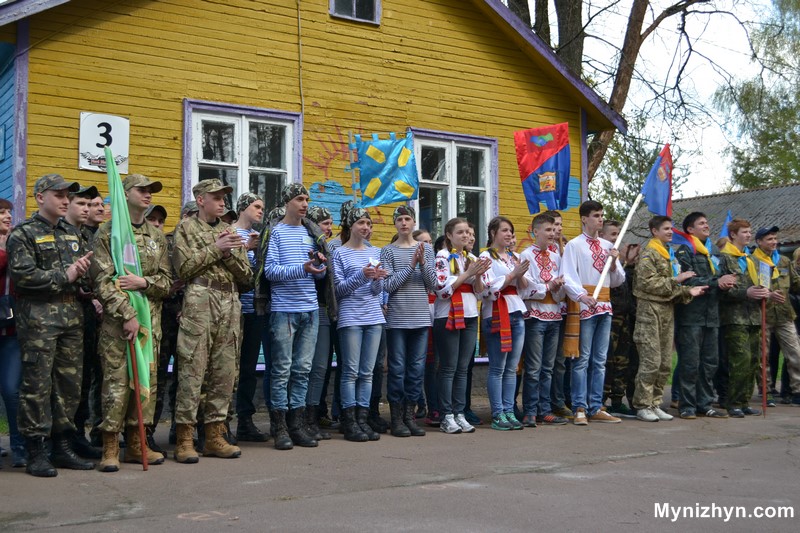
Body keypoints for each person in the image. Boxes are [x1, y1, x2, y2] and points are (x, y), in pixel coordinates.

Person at [7, 174, 95, 477]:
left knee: (68, 386)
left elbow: (79, 276)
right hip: (39, 321)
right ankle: (36, 450)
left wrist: (83, 278)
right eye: (58, 195)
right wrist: (66, 276)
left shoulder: (72, 235)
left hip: (71, 319)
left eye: (66, 195)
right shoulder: (23, 234)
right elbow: (24, 276)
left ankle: (62, 446)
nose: (64, 200)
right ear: (39, 197)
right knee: (37, 386)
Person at [90, 174, 172, 471]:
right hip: (118, 324)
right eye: (142, 190)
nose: (148, 195)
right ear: (125, 194)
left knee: (146, 382)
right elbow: (102, 280)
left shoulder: (157, 236)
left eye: (152, 190)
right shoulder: (107, 233)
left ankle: (138, 444)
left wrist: (143, 281)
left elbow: (165, 282)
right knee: (117, 383)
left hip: (151, 322)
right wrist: (127, 315)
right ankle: (110, 446)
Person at [172, 179, 252, 463]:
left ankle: (215, 435)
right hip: (199, 298)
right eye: (216, 197)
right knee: (193, 369)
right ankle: (185, 438)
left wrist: (228, 252)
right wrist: (216, 249)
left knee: (224, 370)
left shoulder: (230, 232)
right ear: (200, 199)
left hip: (229, 302)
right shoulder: (185, 228)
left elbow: (246, 278)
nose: (222, 202)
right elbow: (182, 268)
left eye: (224, 198)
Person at [262, 184, 332, 450]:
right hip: (284, 310)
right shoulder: (276, 232)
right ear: (287, 202)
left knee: (302, 370)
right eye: (299, 199)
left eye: (306, 200)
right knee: (281, 370)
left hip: (311, 309)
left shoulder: (310, 233)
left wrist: (319, 266)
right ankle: (279, 427)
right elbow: (270, 272)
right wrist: (302, 268)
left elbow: (321, 274)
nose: (304, 204)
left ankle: (297, 425)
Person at [631, 216, 706, 422]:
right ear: (654, 231)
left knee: (664, 362)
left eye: (671, 228)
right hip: (650, 311)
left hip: (666, 311)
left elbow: (672, 287)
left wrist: (689, 291)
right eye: (665, 229)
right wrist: (677, 280)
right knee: (651, 361)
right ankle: (643, 405)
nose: (670, 232)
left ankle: (655, 403)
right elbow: (647, 284)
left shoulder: (668, 255)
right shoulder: (649, 253)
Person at [561, 201, 624, 425]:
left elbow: (617, 280)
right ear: (584, 219)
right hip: (585, 305)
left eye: (601, 215)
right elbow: (567, 275)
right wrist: (581, 296)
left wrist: (615, 262)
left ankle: (596, 406)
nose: (600, 219)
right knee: (582, 358)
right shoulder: (574, 246)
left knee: (600, 359)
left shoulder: (608, 246)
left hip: (605, 305)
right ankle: (579, 406)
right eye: (596, 215)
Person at [673, 212, 736, 419]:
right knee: (690, 362)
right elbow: (686, 281)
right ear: (690, 229)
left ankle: (705, 404)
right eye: (702, 223)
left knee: (710, 363)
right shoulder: (685, 251)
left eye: (707, 222)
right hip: (691, 316)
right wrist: (715, 282)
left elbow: (716, 280)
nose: (707, 226)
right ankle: (687, 405)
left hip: (712, 316)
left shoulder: (710, 254)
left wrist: (724, 284)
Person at [380, 206, 435, 437]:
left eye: (407, 219)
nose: (404, 223)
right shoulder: (388, 251)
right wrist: (411, 265)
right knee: (398, 369)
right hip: (397, 318)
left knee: (416, 369)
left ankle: (410, 417)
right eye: (400, 219)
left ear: (414, 223)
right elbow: (388, 285)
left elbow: (432, 283)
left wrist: (422, 263)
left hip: (420, 317)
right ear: (395, 224)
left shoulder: (427, 249)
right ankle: (396, 419)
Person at [333, 208, 386, 442]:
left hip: (374, 317)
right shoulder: (339, 253)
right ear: (350, 225)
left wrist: (376, 280)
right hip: (351, 318)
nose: (366, 227)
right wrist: (363, 276)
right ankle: (349, 421)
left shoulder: (376, 251)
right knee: (351, 371)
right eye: (361, 223)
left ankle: (363, 419)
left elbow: (377, 292)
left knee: (367, 372)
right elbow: (339, 290)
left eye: (368, 223)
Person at [433, 219, 489, 434]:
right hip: (447, 314)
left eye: (467, 232)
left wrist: (479, 275)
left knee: (463, 368)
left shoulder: (471, 257)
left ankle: (460, 412)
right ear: (449, 235)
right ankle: (446, 414)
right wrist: (467, 274)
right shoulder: (442, 257)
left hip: (469, 314)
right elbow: (442, 290)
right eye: (460, 232)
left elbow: (480, 292)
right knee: (448, 367)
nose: (466, 236)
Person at [62, 185, 105, 460]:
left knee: (85, 377)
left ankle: (78, 435)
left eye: (93, 204)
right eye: (84, 204)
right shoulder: (61, 234)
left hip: (89, 317)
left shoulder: (90, 237)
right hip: (63, 316)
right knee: (67, 382)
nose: (90, 209)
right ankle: (60, 441)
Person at [479, 216, 529, 430]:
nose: (509, 234)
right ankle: (498, 412)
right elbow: (488, 289)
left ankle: (509, 411)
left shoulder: (513, 256)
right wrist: (512, 275)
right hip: (497, 313)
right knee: (498, 367)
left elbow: (525, 287)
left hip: (516, 310)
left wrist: (521, 273)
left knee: (512, 368)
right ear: (493, 233)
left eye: (511, 231)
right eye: (505, 230)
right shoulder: (484, 257)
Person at [519, 213, 569, 427]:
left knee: (548, 367)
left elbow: (560, 286)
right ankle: (530, 410)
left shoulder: (557, 256)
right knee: (533, 367)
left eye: (553, 230)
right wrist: (548, 286)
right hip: (536, 316)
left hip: (555, 315)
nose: (552, 234)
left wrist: (557, 287)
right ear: (535, 231)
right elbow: (525, 287)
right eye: (547, 230)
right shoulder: (525, 255)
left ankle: (544, 409)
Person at [718, 218, 769, 417]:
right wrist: (745, 293)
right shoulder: (724, 258)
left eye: (749, 232)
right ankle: (733, 402)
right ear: (733, 235)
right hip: (734, 317)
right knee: (741, 358)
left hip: (754, 316)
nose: (748, 235)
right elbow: (723, 290)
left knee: (754, 360)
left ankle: (745, 400)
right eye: (744, 232)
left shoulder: (750, 259)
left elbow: (759, 285)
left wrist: (767, 293)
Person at [230, 192, 269, 442]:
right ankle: (220, 423)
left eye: (262, 207)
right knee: (227, 369)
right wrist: (247, 248)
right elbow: (225, 266)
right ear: (243, 207)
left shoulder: (260, 236)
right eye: (256, 206)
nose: (260, 211)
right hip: (232, 311)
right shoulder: (230, 233)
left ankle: (245, 420)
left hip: (254, 311)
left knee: (248, 369)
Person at [750, 226, 800, 405]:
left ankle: (797, 391)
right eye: (769, 239)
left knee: (796, 353)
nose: (774, 242)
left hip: (785, 314)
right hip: (763, 314)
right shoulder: (752, 261)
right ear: (759, 242)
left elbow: (795, 284)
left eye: (774, 238)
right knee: (763, 356)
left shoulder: (784, 261)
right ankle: (767, 390)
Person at [305, 205, 336, 440]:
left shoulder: (327, 247)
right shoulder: (305, 244)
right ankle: (298, 418)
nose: (330, 228)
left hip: (324, 311)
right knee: (302, 368)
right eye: (325, 223)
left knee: (320, 368)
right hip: (303, 309)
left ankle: (312, 417)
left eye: (331, 223)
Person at [0, 198, 25, 468]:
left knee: (11, 389)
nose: (7, 216)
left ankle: (19, 445)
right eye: (1, 212)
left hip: (12, 331)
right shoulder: (9, 247)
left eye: (8, 211)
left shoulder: (18, 240)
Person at [545, 210, 574, 420]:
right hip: (547, 308)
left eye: (560, 225)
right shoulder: (544, 250)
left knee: (564, 359)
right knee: (551, 361)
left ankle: (563, 398)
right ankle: (551, 401)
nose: (558, 229)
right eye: (554, 224)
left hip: (566, 308)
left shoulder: (566, 248)